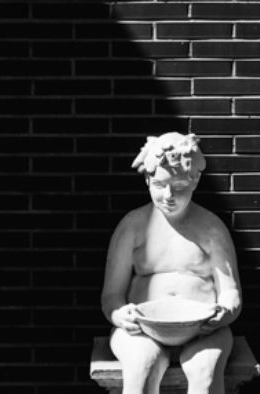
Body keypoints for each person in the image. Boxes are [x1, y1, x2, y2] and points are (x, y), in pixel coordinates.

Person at [100, 132, 243, 394]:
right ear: (147, 180)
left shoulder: (211, 228)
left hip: (204, 331)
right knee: (142, 367)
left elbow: (231, 292)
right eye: (159, 184)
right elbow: (111, 296)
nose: (168, 195)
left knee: (205, 373)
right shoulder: (132, 226)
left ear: (194, 180)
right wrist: (120, 315)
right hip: (141, 331)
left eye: (178, 186)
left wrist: (225, 312)